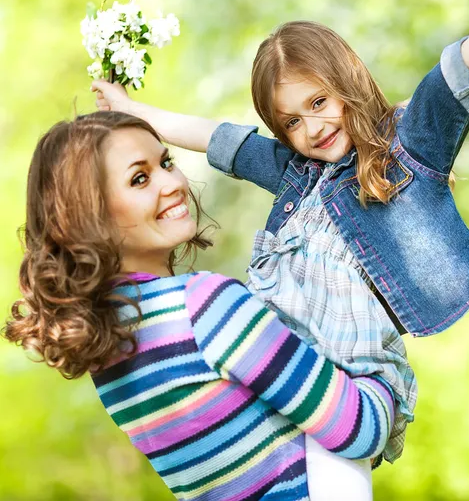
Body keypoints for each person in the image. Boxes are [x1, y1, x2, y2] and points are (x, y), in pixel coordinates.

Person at [91, 0, 469, 494]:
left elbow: (445, 89)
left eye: (319, 102)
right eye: (291, 122)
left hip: (352, 385)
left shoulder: (405, 152)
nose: (312, 128)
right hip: (289, 381)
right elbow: (219, 139)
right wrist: (131, 112)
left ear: (346, 84)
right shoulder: (296, 176)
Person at [3, 111, 400, 501]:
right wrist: (378, 362)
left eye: (166, 162)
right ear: (92, 218)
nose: (173, 183)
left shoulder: (107, 348)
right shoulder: (203, 307)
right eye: (139, 178)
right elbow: (359, 429)